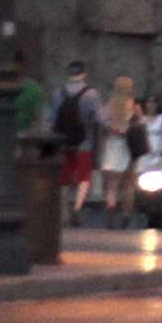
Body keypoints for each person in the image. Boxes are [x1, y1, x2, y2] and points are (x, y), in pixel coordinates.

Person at [51, 62, 102, 224]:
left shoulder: (58, 93)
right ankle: (77, 207)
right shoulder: (91, 94)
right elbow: (99, 118)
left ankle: (64, 210)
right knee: (84, 177)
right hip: (84, 141)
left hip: (63, 142)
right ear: (84, 74)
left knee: (64, 178)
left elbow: (53, 119)